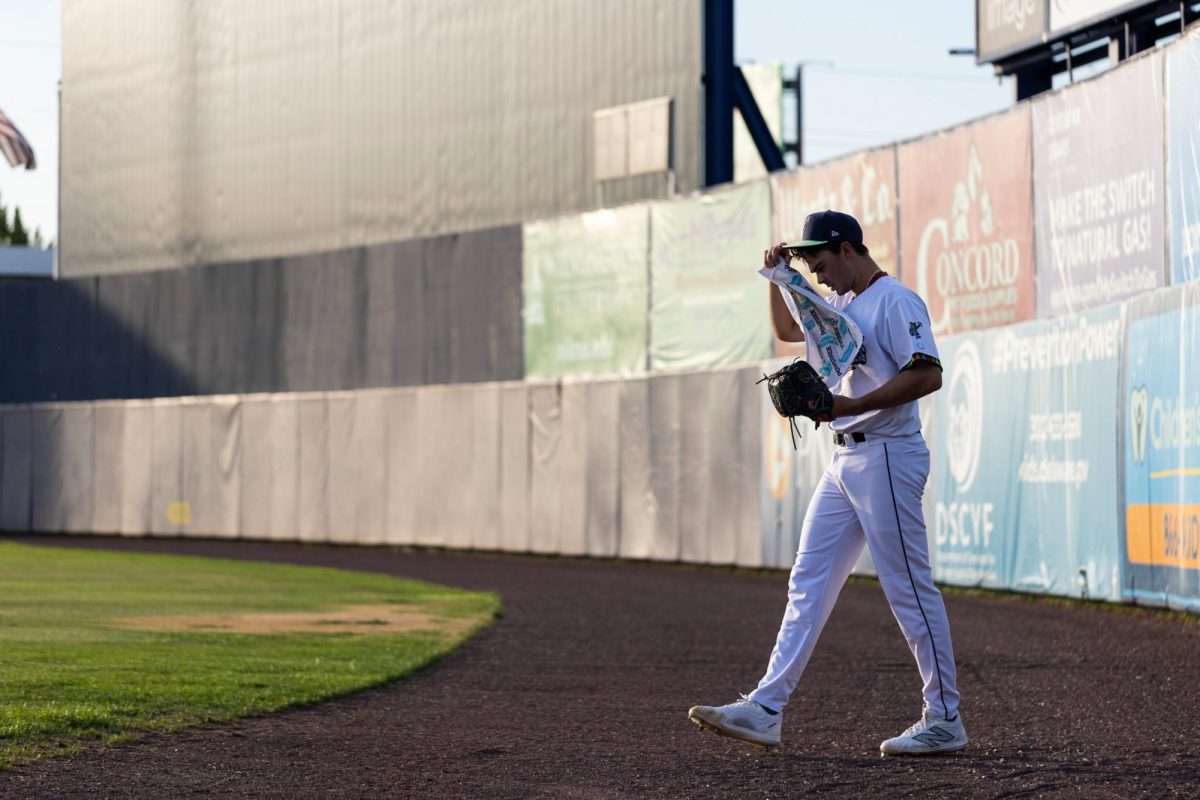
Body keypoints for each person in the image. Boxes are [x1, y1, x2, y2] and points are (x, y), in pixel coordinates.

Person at [688, 210, 966, 757]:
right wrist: (775, 279)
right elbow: (789, 330)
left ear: (845, 249)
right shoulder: (840, 304)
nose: (818, 277)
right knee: (807, 583)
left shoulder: (895, 301)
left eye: (819, 264)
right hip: (846, 461)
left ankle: (946, 717)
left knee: (909, 591)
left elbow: (928, 372)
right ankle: (766, 709)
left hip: (887, 454)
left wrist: (850, 404)